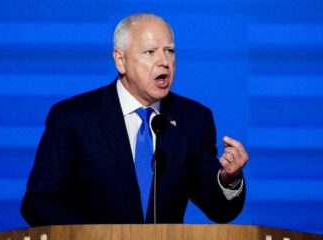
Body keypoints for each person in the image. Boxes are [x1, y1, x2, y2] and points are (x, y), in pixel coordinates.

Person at [21, 13, 249, 226]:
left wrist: (229, 179)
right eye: (150, 52)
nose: (164, 62)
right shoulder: (74, 118)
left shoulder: (193, 120)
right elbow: (38, 204)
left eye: (169, 51)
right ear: (120, 60)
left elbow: (220, 210)